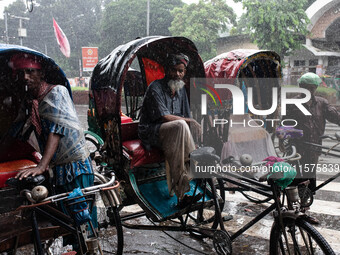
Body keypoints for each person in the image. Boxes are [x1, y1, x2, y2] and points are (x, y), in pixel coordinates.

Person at [9, 52, 94, 249]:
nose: (26, 78)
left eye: (30, 72)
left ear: (41, 74)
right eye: (22, 73)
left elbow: (56, 132)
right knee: (68, 224)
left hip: (75, 167)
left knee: (82, 222)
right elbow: (20, 131)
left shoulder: (56, 93)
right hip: (59, 170)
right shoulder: (32, 102)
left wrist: (41, 165)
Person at [138, 53, 202, 208]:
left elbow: (186, 116)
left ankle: (189, 171)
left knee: (182, 126)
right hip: (151, 131)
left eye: (181, 71)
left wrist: (196, 133)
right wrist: (191, 121)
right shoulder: (155, 87)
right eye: (174, 70)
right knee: (180, 125)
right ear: (167, 70)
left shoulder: (181, 91)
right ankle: (185, 179)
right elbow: (165, 117)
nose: (177, 74)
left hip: (176, 134)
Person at [285, 72, 340, 192]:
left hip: (314, 147)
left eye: (312, 88)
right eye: (306, 87)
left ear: (315, 88)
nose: (309, 90)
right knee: (296, 176)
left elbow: (336, 117)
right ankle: (294, 202)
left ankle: (306, 202)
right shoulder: (291, 104)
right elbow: (284, 125)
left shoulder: (322, 103)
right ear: (301, 87)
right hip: (297, 147)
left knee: (310, 175)